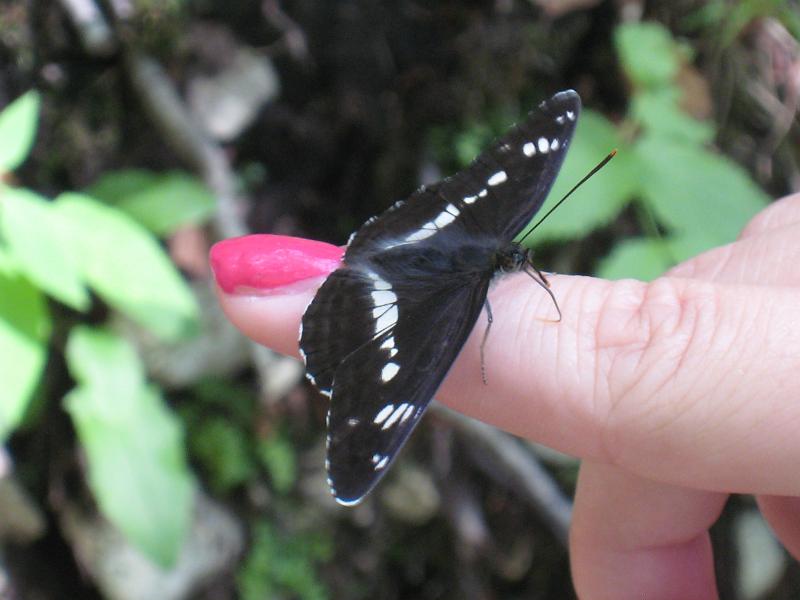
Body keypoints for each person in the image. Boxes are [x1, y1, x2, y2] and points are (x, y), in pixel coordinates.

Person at [209, 192, 800, 600]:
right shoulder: (475, 285)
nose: (522, 263)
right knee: (428, 350)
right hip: (417, 272)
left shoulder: (490, 250)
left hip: (426, 237)